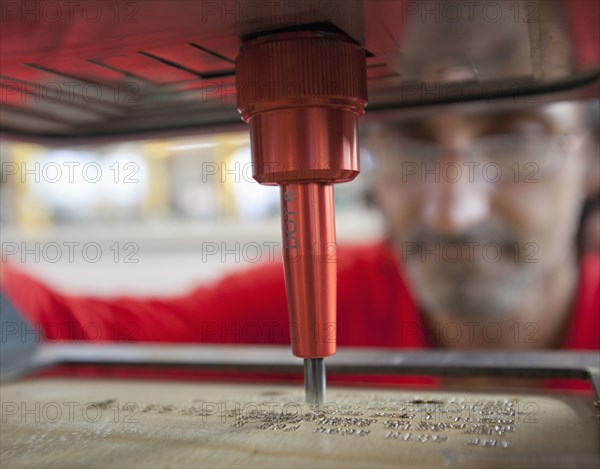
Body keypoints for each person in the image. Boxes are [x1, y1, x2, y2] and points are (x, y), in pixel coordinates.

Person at [1, 99, 598, 355]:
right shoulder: (324, 300)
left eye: (516, 136)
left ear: (592, 158)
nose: (452, 210)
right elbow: (68, 336)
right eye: (409, 140)